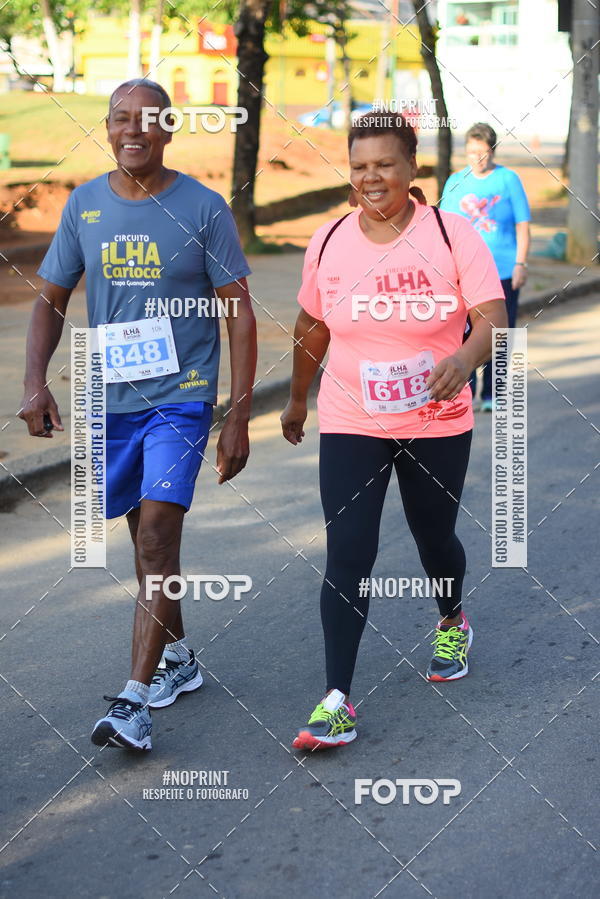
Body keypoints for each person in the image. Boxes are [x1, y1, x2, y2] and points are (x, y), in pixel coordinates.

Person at [19, 79, 257, 751]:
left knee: (156, 535)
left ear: (169, 129)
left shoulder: (203, 208)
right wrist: (35, 381)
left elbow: (238, 313)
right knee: (145, 542)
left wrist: (237, 414)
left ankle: (133, 701)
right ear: (107, 125)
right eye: (120, 118)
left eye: (147, 120)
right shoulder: (85, 206)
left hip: (180, 397)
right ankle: (178, 657)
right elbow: (49, 298)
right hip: (111, 403)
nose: (132, 130)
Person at [281, 114, 507, 751]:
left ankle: (450, 617)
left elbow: (491, 315)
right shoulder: (328, 240)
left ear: (412, 169)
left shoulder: (450, 233)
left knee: (434, 538)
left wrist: (465, 359)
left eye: (383, 164)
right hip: (353, 417)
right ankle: (336, 700)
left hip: (436, 418)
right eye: (359, 166)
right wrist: (298, 399)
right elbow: (311, 325)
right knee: (349, 552)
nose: (370, 177)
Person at [440, 122, 530, 411]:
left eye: (481, 152)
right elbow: (441, 231)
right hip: (462, 273)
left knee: (498, 332)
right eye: (470, 152)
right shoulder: (455, 181)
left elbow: (523, 225)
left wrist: (520, 263)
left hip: (502, 269)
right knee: (461, 333)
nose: (476, 158)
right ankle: (465, 393)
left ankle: (493, 393)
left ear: (492, 151)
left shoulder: (508, 180)